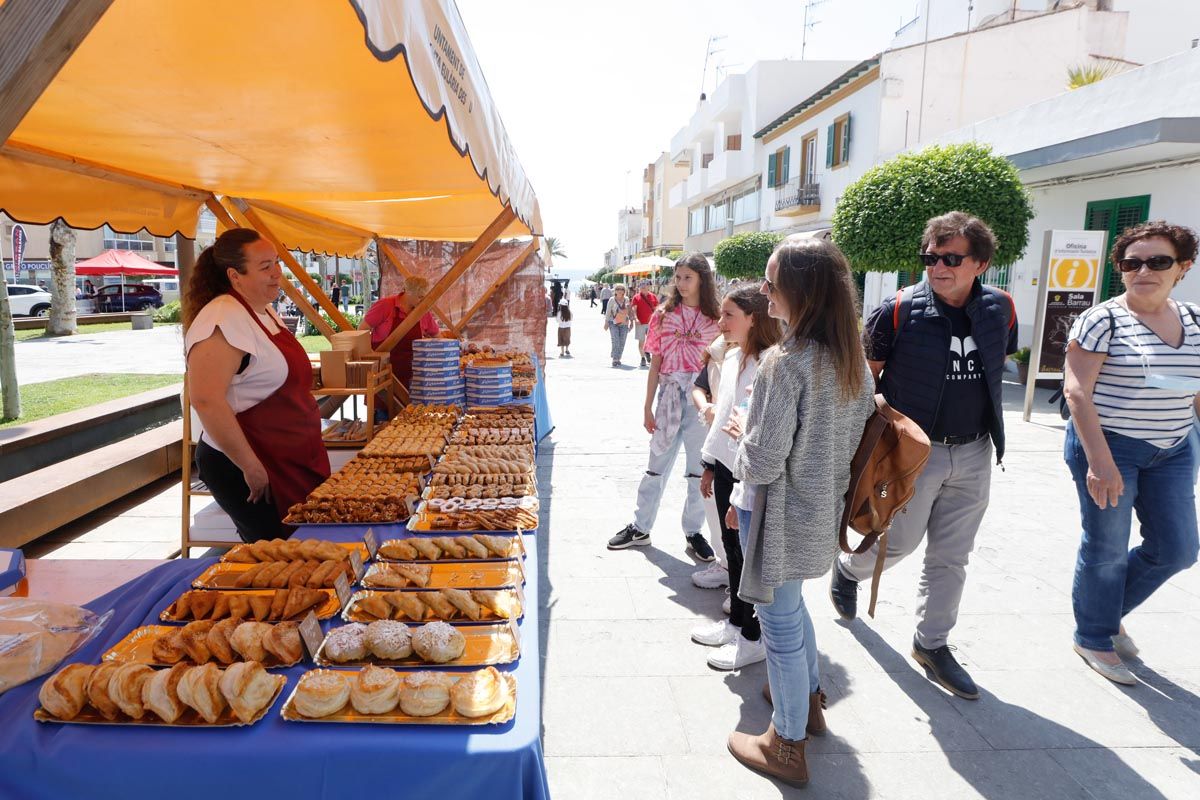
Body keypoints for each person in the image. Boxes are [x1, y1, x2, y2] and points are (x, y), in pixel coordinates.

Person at [830, 211, 1017, 701]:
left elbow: (998, 370)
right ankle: (848, 570)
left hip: (975, 450)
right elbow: (863, 383)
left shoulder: (1002, 310)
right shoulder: (896, 311)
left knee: (953, 557)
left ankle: (932, 643)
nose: (937, 265)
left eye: (950, 258)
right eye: (930, 256)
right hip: (914, 455)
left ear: (980, 262)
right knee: (903, 543)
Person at [725, 237, 874, 787]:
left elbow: (762, 462)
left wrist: (742, 437)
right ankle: (809, 702)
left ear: (800, 292)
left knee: (779, 625)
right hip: (823, 512)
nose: (764, 292)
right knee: (793, 609)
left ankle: (786, 743)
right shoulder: (851, 358)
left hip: (782, 515)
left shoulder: (783, 364)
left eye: (770, 282)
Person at [1062, 221, 1200, 685]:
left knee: (1178, 548)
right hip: (1109, 444)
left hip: (1176, 447)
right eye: (1132, 263)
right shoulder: (1103, 319)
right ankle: (1094, 636)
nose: (1144, 270)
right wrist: (1100, 462)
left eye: (1158, 261)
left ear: (1182, 267)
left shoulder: (1197, 320)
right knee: (1106, 548)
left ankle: (1103, 610)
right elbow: (1077, 392)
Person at [183, 228, 331, 541]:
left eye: (277, 263)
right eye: (265, 267)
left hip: (287, 457)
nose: (277, 274)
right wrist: (250, 466)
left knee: (303, 545)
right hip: (252, 464)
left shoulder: (262, 311)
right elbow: (206, 399)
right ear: (235, 276)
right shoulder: (221, 319)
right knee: (277, 554)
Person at [691, 283, 782, 671]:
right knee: (733, 550)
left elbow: (760, 432)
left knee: (748, 557)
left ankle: (751, 635)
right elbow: (723, 414)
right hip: (728, 465)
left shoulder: (770, 366)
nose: (721, 321)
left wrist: (743, 488)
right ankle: (735, 623)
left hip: (752, 474)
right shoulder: (730, 360)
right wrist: (710, 463)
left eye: (729, 315)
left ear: (753, 318)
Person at [607, 253, 721, 561]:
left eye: (688, 278)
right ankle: (641, 526)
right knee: (655, 467)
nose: (682, 284)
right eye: (679, 277)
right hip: (669, 396)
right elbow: (655, 362)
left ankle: (694, 532)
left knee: (698, 472)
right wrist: (647, 406)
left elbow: (722, 364)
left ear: (702, 280)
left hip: (701, 399)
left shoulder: (716, 319)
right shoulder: (663, 314)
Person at [359, 275, 440, 388]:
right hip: (384, 371)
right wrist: (370, 354)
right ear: (408, 293)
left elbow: (437, 336)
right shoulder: (385, 305)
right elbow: (362, 330)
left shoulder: (423, 312)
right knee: (383, 405)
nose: (423, 301)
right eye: (420, 297)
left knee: (411, 405)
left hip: (413, 373)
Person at [631, 280, 660, 368]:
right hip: (640, 323)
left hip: (651, 323)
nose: (643, 287)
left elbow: (656, 309)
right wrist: (635, 318)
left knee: (652, 341)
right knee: (641, 341)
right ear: (639, 287)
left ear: (648, 287)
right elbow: (634, 309)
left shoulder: (653, 297)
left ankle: (647, 352)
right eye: (641, 285)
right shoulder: (636, 297)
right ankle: (643, 357)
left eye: (645, 285)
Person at [604, 283, 634, 367]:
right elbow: (608, 311)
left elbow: (630, 311)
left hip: (624, 322)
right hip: (613, 322)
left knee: (622, 341)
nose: (620, 291)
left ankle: (618, 357)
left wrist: (632, 322)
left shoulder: (627, 299)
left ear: (624, 291)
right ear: (615, 291)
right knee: (615, 340)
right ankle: (615, 358)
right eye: (618, 289)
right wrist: (606, 322)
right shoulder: (612, 299)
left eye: (621, 289)